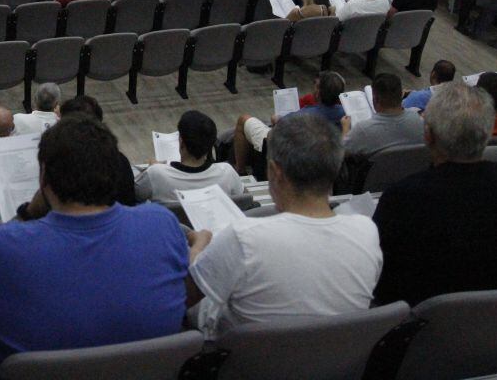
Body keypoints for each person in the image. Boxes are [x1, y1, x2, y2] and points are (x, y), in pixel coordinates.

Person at [0, 115, 194, 361]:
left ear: (43, 180)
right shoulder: (161, 224)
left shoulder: (0, 247)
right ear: (115, 172)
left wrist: (28, 213)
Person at [188, 113, 381, 340]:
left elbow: (185, 296)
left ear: (275, 172)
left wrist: (197, 250)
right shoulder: (367, 231)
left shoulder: (243, 238)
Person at [372, 83, 497, 307]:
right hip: (492, 314)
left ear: (428, 135)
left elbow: (383, 280)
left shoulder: (403, 196)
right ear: (486, 134)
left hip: (415, 322)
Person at [232, 71, 347, 175]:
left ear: (318, 92)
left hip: (290, 151)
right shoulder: (345, 112)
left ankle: (240, 170)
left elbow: (278, 122)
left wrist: (275, 118)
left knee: (243, 119)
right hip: (316, 157)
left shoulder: (304, 115)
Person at [135, 111, 244, 202]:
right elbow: (245, 200)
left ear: (181, 142)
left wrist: (152, 168)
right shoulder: (227, 172)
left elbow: (130, 196)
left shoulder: (155, 174)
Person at [342, 73, 425, 157]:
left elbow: (342, 153)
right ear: (401, 95)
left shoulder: (363, 129)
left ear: (376, 99)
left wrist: (345, 127)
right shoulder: (419, 120)